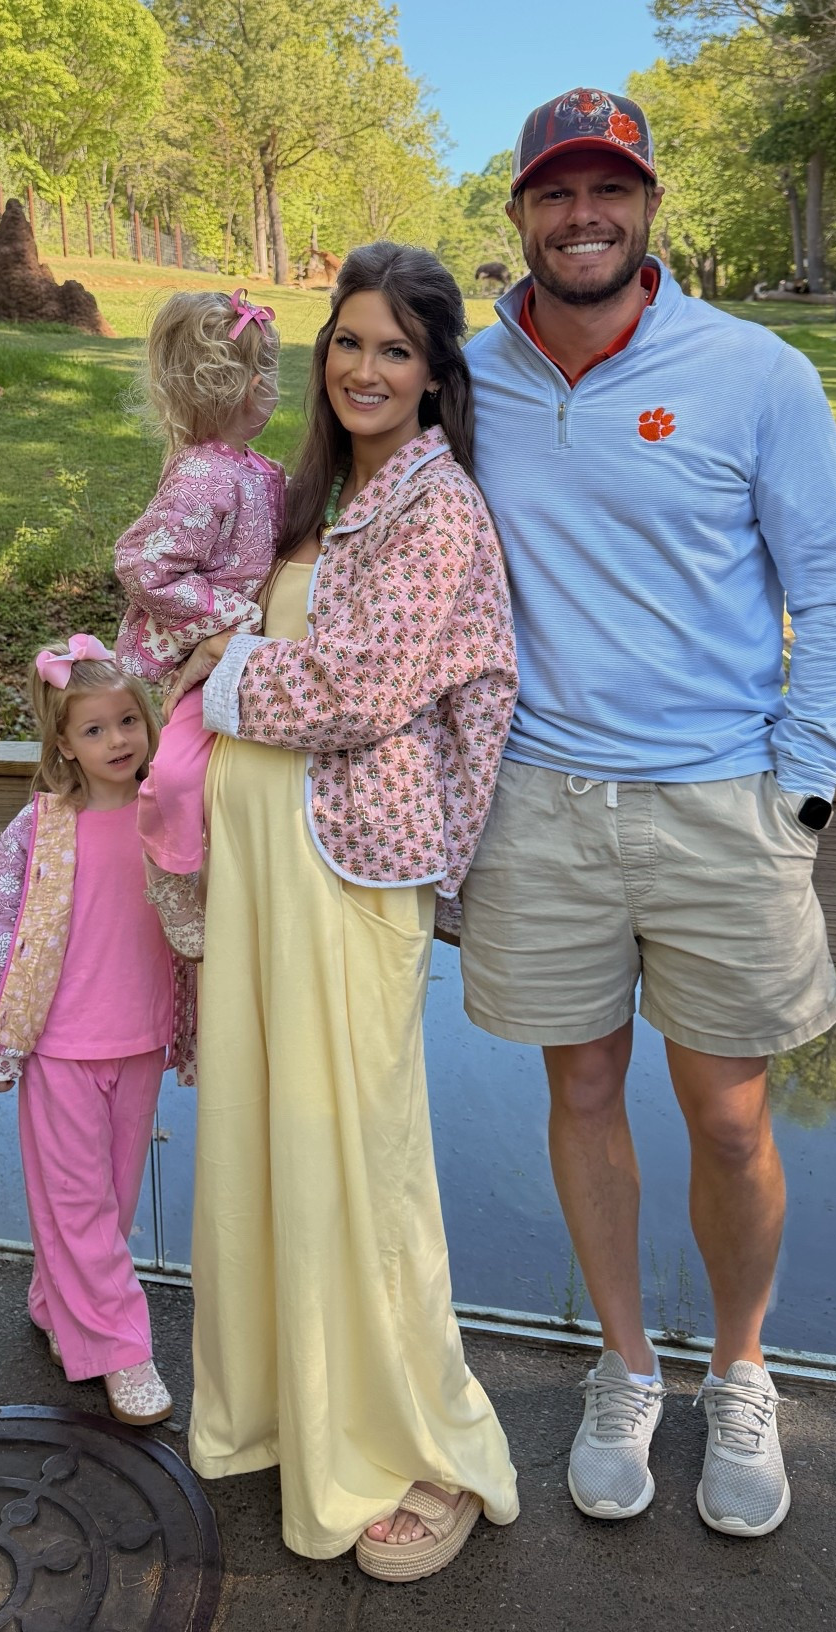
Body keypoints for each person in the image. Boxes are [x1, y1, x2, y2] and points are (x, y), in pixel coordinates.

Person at [460, 87, 836, 1538]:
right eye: (556, 191)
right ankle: (625, 1366)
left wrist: (800, 790)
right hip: (541, 804)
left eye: (611, 189)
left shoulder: (755, 373)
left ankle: (741, 1371)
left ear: (648, 205)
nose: (586, 215)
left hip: (721, 806)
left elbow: (833, 594)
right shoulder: (467, 381)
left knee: (730, 1114)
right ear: (518, 211)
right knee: (579, 1090)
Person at [166, 242, 521, 1582]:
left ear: (435, 379)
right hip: (263, 874)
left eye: (396, 350)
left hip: (348, 874)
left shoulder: (440, 512)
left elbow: (360, 690)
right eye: (348, 342)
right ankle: (283, 1409)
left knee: (357, 1163)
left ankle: (419, 1446)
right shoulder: (316, 496)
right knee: (266, 1142)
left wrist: (226, 674)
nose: (365, 368)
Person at [0, 635, 181, 1427]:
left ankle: (59, 1302)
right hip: (58, 1044)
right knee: (79, 1200)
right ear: (62, 745)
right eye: (94, 729)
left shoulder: (168, 813)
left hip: (142, 1038)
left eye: (128, 721)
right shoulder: (40, 828)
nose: (118, 740)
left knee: (109, 1202)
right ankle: (123, 1349)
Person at [113, 287, 286, 961]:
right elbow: (142, 564)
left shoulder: (256, 470)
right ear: (232, 388)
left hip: (235, 660)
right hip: (191, 662)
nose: (274, 388)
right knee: (178, 774)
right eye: (263, 374)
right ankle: (173, 879)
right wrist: (233, 617)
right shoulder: (203, 476)